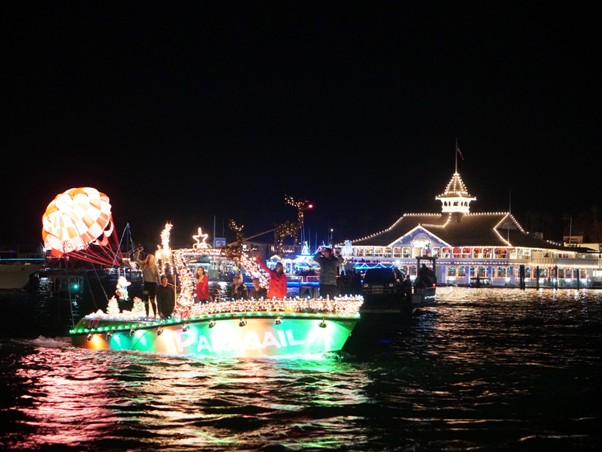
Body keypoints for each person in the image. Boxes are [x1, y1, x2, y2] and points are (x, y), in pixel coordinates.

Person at [136, 248, 160, 318]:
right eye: (148, 257)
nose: (149, 259)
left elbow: (157, 275)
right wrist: (138, 252)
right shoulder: (144, 264)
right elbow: (136, 259)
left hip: (153, 284)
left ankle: (155, 314)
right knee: (146, 300)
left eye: (151, 258)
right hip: (146, 284)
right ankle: (147, 314)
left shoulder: (155, 266)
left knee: (152, 300)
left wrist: (159, 282)